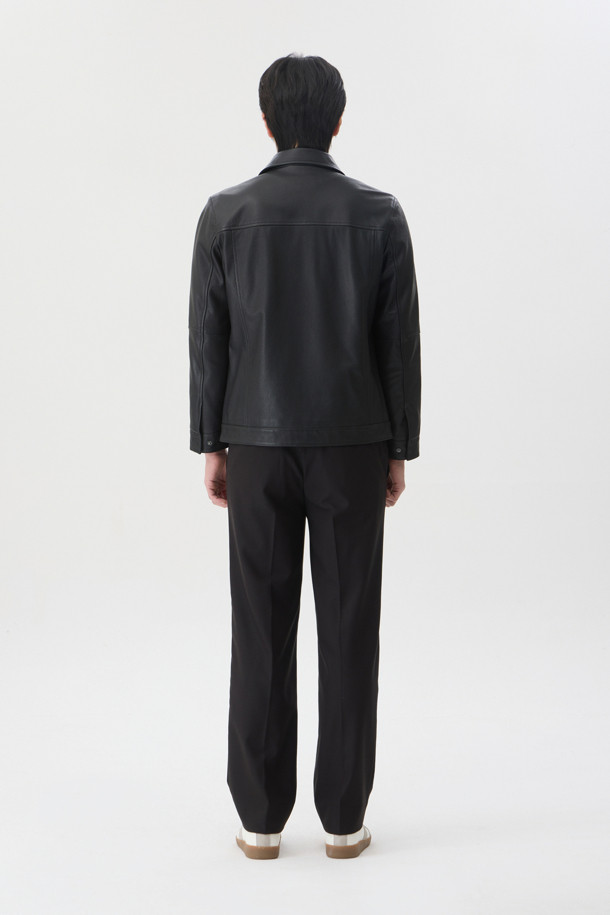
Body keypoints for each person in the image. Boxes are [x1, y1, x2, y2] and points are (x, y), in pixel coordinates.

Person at [188, 53, 421, 860]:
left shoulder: (225, 214)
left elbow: (209, 340)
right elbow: (398, 343)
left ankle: (259, 818)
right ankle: (344, 819)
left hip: (254, 443)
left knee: (260, 628)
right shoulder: (379, 213)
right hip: (354, 444)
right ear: (337, 121)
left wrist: (211, 442)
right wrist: (400, 447)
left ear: (266, 122)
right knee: (350, 627)